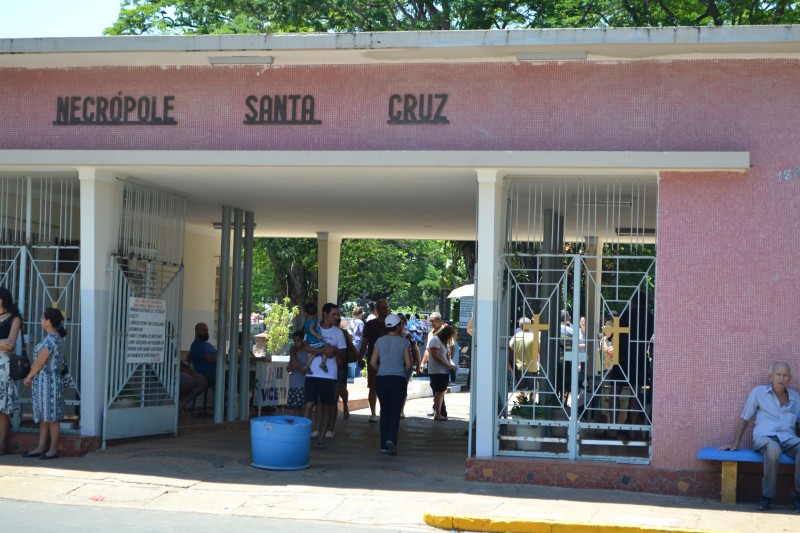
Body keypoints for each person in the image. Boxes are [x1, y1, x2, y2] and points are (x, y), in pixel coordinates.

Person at [720, 362, 800, 511]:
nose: (781, 378)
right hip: (764, 438)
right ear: (770, 377)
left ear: (790, 378)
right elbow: (745, 418)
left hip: (788, 438)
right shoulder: (758, 393)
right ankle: (767, 497)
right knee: (773, 449)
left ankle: (798, 496)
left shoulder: (796, 398)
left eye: (785, 375)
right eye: (778, 374)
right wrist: (735, 443)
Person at [22, 308, 67, 460]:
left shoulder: (52, 339)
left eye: (42, 318)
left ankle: (53, 449)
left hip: (49, 382)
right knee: (44, 416)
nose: (41, 320)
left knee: (52, 417)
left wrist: (29, 376)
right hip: (45, 382)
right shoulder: (54, 338)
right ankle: (41, 447)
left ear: (49, 322)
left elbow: (40, 362)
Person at [303, 303, 346, 448]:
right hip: (312, 373)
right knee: (309, 404)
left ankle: (321, 436)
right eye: (333, 314)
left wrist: (333, 350)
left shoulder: (338, 333)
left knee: (327, 405)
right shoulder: (312, 327)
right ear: (325, 314)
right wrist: (322, 350)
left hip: (329, 375)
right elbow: (305, 346)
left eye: (337, 314)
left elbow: (342, 352)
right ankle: (304, 434)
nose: (336, 317)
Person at [370, 313, 411, 455]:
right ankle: (391, 440)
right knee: (395, 412)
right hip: (398, 380)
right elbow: (408, 364)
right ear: (398, 326)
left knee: (384, 411)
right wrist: (400, 370)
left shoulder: (379, 341)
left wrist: (382, 369)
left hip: (382, 379)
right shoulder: (404, 342)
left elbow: (372, 362)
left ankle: (383, 445)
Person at [358, 298, 389, 423]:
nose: (384, 310)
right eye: (381, 307)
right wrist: (359, 358)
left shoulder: (391, 324)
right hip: (373, 359)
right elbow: (364, 342)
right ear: (377, 309)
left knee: (387, 387)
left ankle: (385, 411)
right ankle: (373, 413)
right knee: (373, 387)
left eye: (386, 307)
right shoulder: (370, 324)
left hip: (388, 360)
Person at [0, 287, 22, 456]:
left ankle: (1, 445)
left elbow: (10, 344)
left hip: (4, 366)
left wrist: (5, 343)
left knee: (2, 408)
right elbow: (4, 343)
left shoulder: (14, 319)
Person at [427, 324, 456, 421]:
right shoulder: (435, 340)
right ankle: (438, 413)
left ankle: (439, 412)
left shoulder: (446, 344)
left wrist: (452, 364)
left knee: (440, 392)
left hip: (444, 371)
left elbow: (448, 357)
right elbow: (435, 356)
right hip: (436, 371)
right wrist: (448, 365)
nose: (451, 338)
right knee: (439, 392)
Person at [189, 323, 217, 416]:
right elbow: (209, 358)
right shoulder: (196, 345)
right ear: (197, 331)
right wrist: (221, 357)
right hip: (205, 374)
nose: (206, 332)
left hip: (215, 371)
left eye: (207, 330)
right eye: (203, 330)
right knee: (227, 379)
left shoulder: (207, 344)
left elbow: (218, 355)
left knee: (231, 378)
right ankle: (223, 408)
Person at [508, 317, 538, 391]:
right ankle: (532, 402)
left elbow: (510, 352)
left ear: (520, 326)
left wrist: (511, 365)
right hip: (532, 368)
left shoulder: (516, 337)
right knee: (532, 390)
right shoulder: (535, 337)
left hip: (519, 369)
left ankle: (521, 402)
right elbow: (540, 352)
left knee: (520, 391)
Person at [286, 331, 309, 417]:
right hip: (294, 383)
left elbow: (307, 369)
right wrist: (291, 367)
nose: (296, 343)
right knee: (296, 408)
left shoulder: (307, 353)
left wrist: (299, 366)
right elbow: (288, 369)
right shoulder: (294, 352)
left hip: (303, 383)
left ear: (303, 340)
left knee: (304, 407)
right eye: (295, 341)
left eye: (298, 340)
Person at [303, 302, 328, 373]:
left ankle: (306, 366)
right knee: (325, 349)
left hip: (310, 341)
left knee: (313, 354)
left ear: (305, 313)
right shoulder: (313, 321)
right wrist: (318, 336)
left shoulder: (306, 322)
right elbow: (311, 329)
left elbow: (307, 330)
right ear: (316, 313)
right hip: (316, 341)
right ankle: (323, 363)